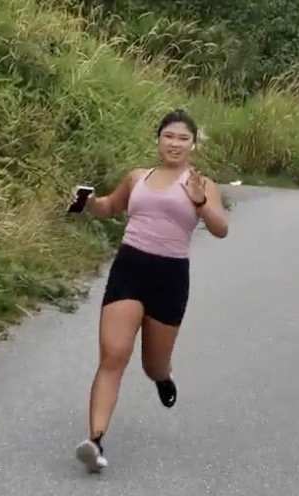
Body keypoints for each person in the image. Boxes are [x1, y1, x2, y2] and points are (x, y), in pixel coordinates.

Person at [72, 109, 229, 473]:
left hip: (170, 276)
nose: (174, 143)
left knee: (151, 363)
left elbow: (221, 229)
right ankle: (94, 442)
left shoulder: (201, 184)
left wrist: (201, 203)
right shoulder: (137, 178)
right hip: (129, 268)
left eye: (182, 138)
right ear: (158, 140)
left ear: (193, 145)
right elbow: (109, 207)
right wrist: (87, 202)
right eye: (168, 136)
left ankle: (162, 376)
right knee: (114, 355)